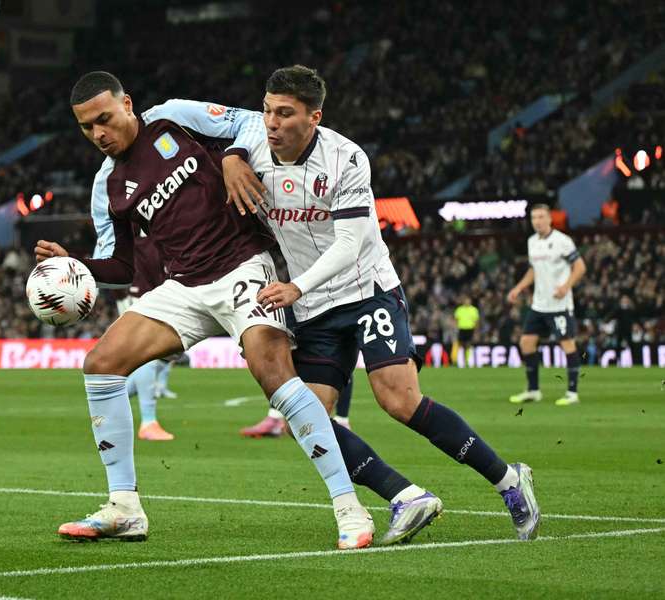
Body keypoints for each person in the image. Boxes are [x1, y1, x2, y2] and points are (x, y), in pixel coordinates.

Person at [35, 71, 375, 549]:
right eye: (87, 127)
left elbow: (252, 122)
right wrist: (78, 265)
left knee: (274, 373)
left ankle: (349, 507)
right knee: (101, 364)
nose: (98, 134)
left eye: (104, 119)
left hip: (242, 266)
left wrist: (233, 157)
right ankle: (124, 508)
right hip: (184, 286)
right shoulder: (106, 186)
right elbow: (123, 264)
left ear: (127, 104)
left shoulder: (173, 118)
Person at [234, 65, 539, 541]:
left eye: (285, 113)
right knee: (306, 419)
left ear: (314, 117)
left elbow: (350, 243)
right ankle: (405, 496)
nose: (272, 123)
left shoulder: (346, 158)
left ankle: (508, 480)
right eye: (267, 111)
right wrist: (231, 156)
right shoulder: (252, 147)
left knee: (398, 399)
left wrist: (297, 286)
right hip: (314, 307)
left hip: (365, 289)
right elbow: (202, 120)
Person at [95, 217, 175, 441]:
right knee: (146, 351)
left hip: (156, 280)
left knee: (166, 353)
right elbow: (106, 236)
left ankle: (106, 400)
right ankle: (148, 422)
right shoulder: (124, 203)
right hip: (136, 282)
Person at [507, 204, 586, 406]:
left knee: (567, 344)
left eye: (541, 217)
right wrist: (519, 287)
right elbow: (533, 270)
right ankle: (533, 391)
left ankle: (572, 393)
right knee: (526, 343)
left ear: (550, 219)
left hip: (559, 305)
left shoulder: (562, 241)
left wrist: (566, 286)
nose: (538, 221)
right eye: (534, 217)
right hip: (539, 305)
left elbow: (580, 267)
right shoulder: (532, 242)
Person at [452, 295, 480, 367]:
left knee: (469, 345)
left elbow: (476, 321)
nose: (467, 302)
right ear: (463, 301)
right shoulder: (459, 309)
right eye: (466, 300)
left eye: (469, 300)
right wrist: (455, 328)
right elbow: (455, 320)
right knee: (461, 345)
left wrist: (476, 331)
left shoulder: (474, 310)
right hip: (461, 329)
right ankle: (462, 361)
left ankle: (469, 361)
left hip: (470, 329)